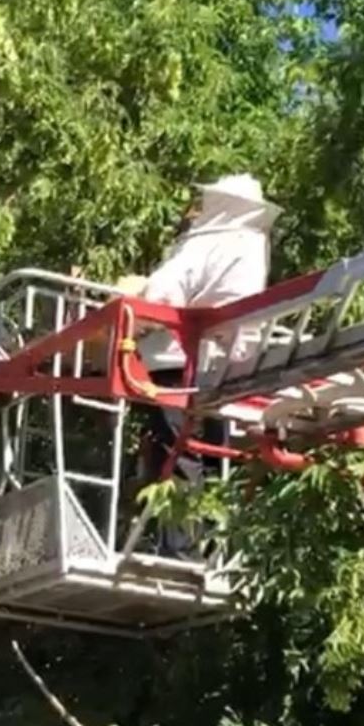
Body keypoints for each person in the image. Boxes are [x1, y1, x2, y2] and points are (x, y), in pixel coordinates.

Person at [122, 174, 282, 555]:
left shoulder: (205, 242)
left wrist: (133, 306)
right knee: (212, 455)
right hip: (226, 369)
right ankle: (210, 548)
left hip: (177, 360)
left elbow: (163, 293)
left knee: (176, 453)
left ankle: (179, 551)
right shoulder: (252, 249)